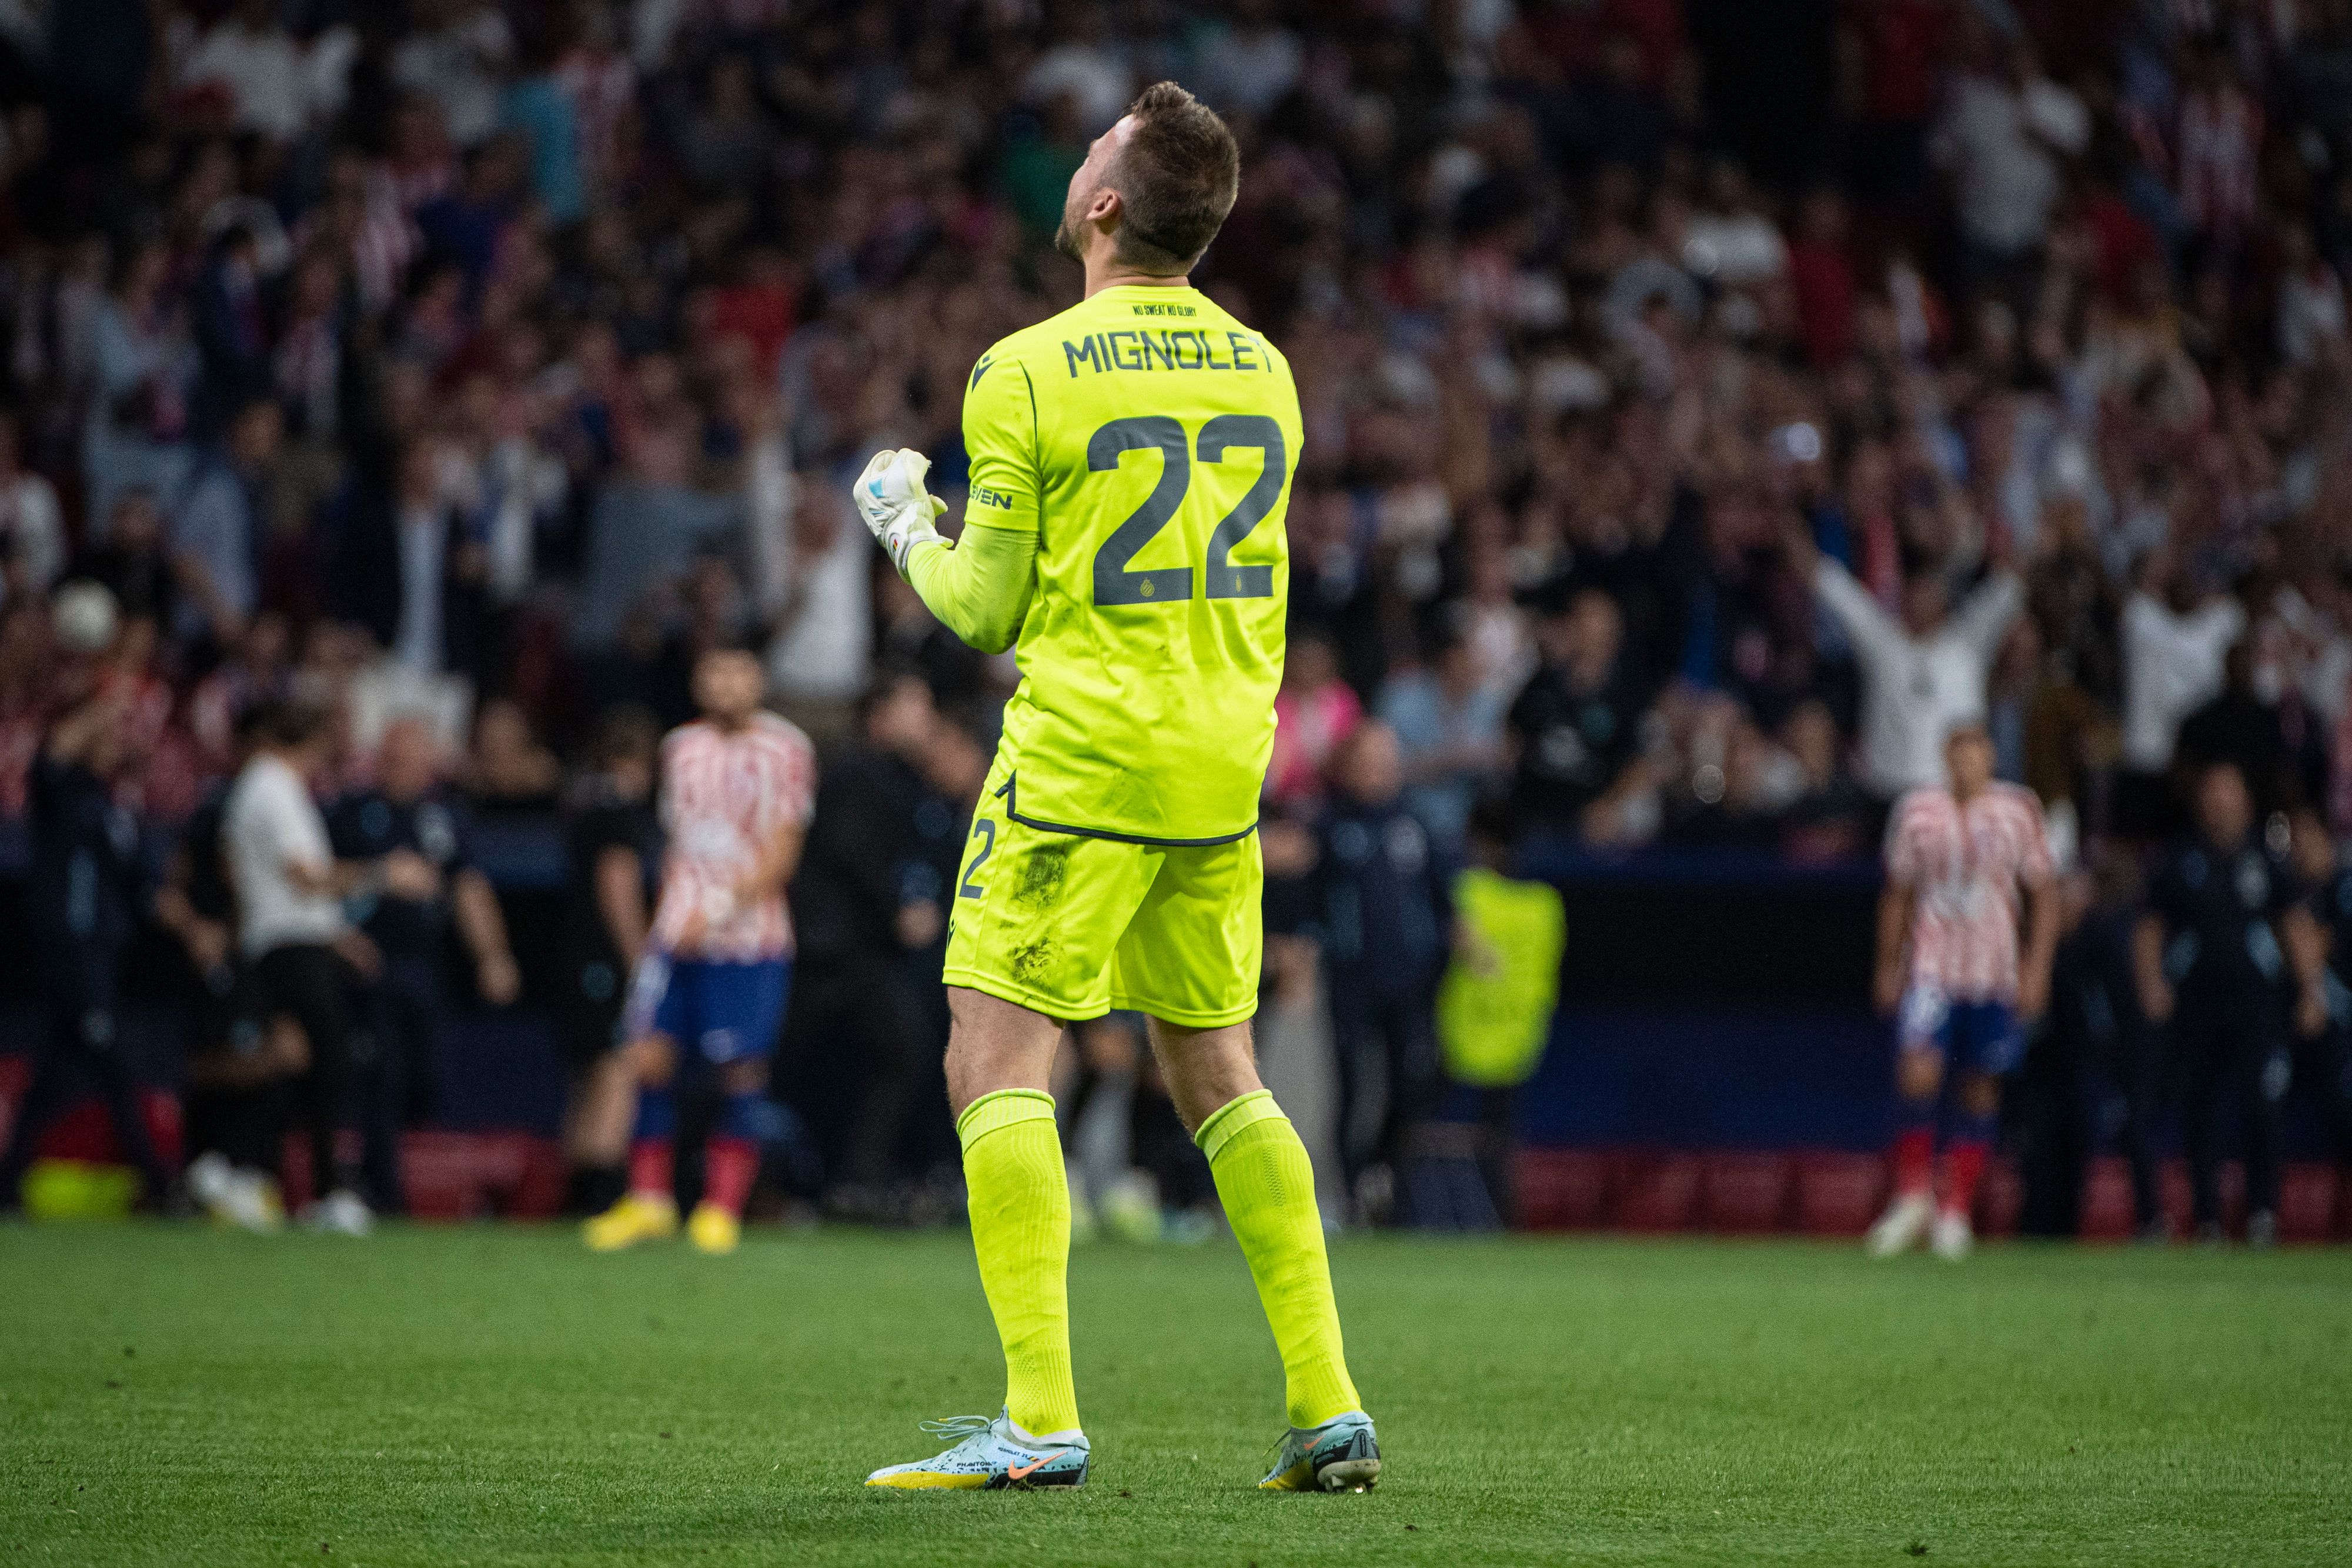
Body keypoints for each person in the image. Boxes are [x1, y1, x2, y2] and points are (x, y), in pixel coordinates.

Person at [848, 82, 1376, 1495]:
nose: (1077, 158)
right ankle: (1327, 1406)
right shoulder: (1264, 369)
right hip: (1220, 769)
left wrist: (903, 516)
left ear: (1099, 208)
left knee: (991, 1052)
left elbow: (982, 608)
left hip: (1081, 758)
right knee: (1218, 1072)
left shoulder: (1024, 370)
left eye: (1090, 152)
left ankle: (1037, 1418)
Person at [584, 644, 814, 1256]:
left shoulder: (784, 749)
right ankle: (650, 1202)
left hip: (747, 941)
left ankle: (720, 1209)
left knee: (737, 1068)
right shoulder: (680, 748)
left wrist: (715, 911)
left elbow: (782, 851)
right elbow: (682, 846)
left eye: (738, 671)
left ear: (758, 678)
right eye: (714, 671)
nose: (726, 684)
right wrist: (673, 917)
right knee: (647, 1058)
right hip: (677, 937)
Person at [224, 701, 428, 1236]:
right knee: (330, 1065)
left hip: (292, 941)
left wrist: (339, 935)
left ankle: (255, 1174)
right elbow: (304, 877)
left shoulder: (267, 787)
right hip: (291, 947)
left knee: (297, 1060)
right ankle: (316, 1188)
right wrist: (384, 873)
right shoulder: (272, 786)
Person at [1865, 722, 2057, 1261]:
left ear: (1990, 756)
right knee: (1918, 1071)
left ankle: (1955, 1209)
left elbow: (2043, 893)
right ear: (1946, 755)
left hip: (1992, 971)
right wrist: (1887, 965)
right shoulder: (1916, 811)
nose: (1968, 761)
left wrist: (2037, 967)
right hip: (1931, 966)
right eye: (1959, 751)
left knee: (1979, 1086)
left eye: (1978, 750)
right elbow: (1898, 892)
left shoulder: (2019, 809)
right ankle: (1911, 1197)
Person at [328, 714, 522, 1213]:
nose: (405, 767)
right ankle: (379, 1191)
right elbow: (315, 878)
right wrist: (377, 876)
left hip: (425, 965)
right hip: (368, 963)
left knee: (422, 1077)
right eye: (395, 757)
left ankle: (414, 1184)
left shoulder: (442, 817)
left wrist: (494, 955)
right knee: (379, 1074)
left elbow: (467, 886)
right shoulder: (350, 813)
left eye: (414, 757)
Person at [2135, 761, 2327, 1246]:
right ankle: (2207, 1220)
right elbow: (2151, 926)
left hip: (2256, 1005)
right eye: (2212, 791)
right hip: (2197, 1006)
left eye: (2228, 790)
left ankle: (2263, 1215)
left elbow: (2295, 925)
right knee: (2199, 1109)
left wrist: (2310, 990)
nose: (2220, 800)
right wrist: (2153, 982)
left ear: (2245, 798)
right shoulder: (2180, 859)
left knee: (2262, 1106)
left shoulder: (2267, 858)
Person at [0, 693, 173, 1209]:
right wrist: (102, 703)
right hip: (70, 948)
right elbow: (53, 752)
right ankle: (158, 1183)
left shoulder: (115, 803)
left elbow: (142, 883)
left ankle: (7, 1181)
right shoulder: (62, 789)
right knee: (111, 1057)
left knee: (59, 1069)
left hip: (105, 948)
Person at [1311, 720, 1455, 1221]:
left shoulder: (1416, 825)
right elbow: (1311, 897)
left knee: (1412, 1083)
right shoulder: (1331, 825)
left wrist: (1458, 939)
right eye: (1368, 760)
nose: (1378, 770)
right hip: (1351, 980)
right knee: (1351, 1087)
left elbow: (1445, 898)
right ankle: (1351, 1193)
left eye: (1386, 760)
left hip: (1411, 983)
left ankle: (1387, 1179)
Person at [554, 706, 662, 1216]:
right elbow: (616, 883)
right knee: (615, 1068)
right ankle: (598, 1194)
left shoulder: (581, 802)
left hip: (573, 951)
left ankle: (573, 1190)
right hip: (602, 956)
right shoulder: (618, 811)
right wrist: (640, 956)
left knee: (587, 1074)